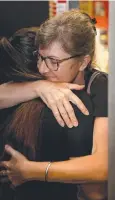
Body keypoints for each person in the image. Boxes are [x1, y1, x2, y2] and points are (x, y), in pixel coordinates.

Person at [0, 9, 108, 200]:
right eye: (40, 57)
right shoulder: (43, 83)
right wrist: (39, 86)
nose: (42, 68)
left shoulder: (101, 87)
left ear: (83, 62)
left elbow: (101, 168)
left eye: (53, 61)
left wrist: (31, 170)